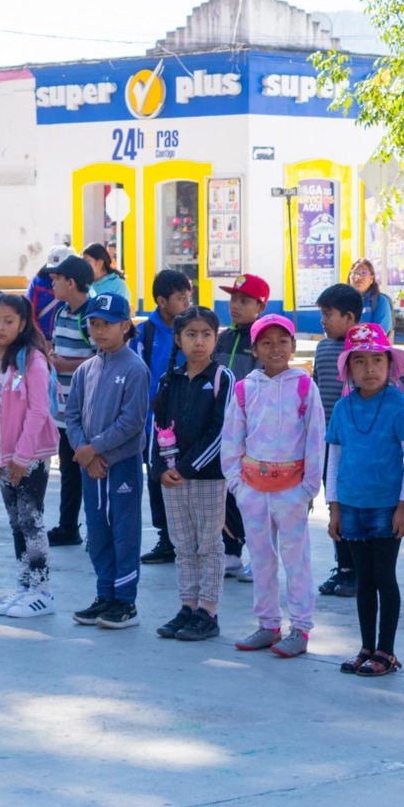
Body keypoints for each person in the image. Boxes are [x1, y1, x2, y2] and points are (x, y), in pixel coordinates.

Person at [222, 314, 327, 657]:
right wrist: (237, 484)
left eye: (283, 341)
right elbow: (232, 438)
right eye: (266, 342)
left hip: (291, 491)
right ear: (255, 349)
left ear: (294, 346)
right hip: (252, 490)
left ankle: (300, 628)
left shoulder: (304, 386)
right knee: (262, 559)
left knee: (297, 561)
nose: (276, 348)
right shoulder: (243, 389)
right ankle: (268, 624)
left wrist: (309, 487)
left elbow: (315, 438)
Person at [325, 322, 404, 676]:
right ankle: (367, 646)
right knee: (363, 579)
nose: (369, 369)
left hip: (385, 506)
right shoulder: (343, 407)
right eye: (360, 361)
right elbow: (333, 459)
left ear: (389, 365)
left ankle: (387, 651)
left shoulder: (397, 405)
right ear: (348, 367)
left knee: (384, 577)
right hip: (350, 506)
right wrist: (334, 508)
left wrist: (403, 507)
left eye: (377, 361)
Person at [65, 292, 150, 629]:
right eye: (94, 324)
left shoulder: (134, 368)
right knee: (97, 531)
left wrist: (96, 449)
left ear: (125, 326)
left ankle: (125, 601)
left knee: (124, 532)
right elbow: (71, 415)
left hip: (122, 465)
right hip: (92, 467)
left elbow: (132, 422)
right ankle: (104, 594)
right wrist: (84, 453)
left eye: (108, 324)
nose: (99, 331)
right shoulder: (86, 369)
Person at [0, 291, 61, 617]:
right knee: (15, 523)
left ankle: (41, 589)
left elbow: (38, 411)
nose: (0, 327)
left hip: (30, 455)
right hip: (1, 456)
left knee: (31, 520)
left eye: (8, 321)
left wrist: (22, 458)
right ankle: (24, 586)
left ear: (23, 323)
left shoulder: (32, 360)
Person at [153, 306, 234, 642]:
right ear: (178, 339)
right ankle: (187, 606)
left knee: (209, 545)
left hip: (207, 477)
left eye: (206, 335)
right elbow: (156, 428)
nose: (198, 342)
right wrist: (160, 469)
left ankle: (208, 611)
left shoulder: (221, 378)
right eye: (191, 334)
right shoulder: (167, 380)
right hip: (172, 478)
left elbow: (221, 431)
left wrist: (186, 468)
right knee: (183, 545)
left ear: (216, 339)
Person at [138, 269, 194, 566]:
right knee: (158, 479)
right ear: (162, 301)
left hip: (189, 420)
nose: (187, 303)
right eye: (180, 298)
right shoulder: (145, 333)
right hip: (154, 424)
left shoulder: (194, 327)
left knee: (188, 477)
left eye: (189, 297)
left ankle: (190, 538)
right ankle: (165, 538)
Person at [213, 273, 268, 572]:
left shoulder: (262, 338)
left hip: (253, 429)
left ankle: (258, 557)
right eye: (233, 299)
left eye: (244, 300)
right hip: (224, 428)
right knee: (227, 490)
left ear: (260, 305)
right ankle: (231, 550)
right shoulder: (223, 337)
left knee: (253, 494)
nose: (235, 305)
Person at [313, 282, 364, 597]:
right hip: (327, 442)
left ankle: (358, 571)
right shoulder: (322, 347)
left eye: (327, 314)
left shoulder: (365, 348)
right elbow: (317, 389)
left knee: (354, 506)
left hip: (358, 445)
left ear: (349, 317)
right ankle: (343, 567)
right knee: (335, 504)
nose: (322, 320)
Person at [42, 254, 96, 547]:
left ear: (71, 282)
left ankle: (96, 525)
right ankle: (68, 525)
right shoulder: (62, 312)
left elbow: (101, 356)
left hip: (86, 410)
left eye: (56, 280)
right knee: (68, 470)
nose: (52, 285)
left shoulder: (90, 317)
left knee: (90, 469)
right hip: (64, 410)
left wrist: (67, 365)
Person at [348, 258, 393, 332]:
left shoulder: (380, 301)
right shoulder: (341, 301)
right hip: (342, 343)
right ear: (349, 277)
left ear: (372, 279)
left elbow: (379, 332)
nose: (358, 277)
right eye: (355, 273)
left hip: (369, 342)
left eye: (363, 273)